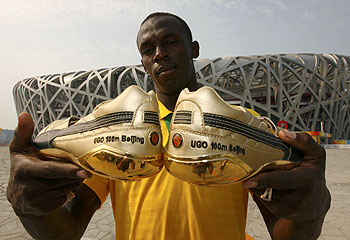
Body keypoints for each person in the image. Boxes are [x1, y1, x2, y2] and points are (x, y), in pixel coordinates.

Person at [7, 12, 330, 240]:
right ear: (143, 62)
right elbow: (67, 230)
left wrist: (310, 211)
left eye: (170, 42)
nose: (160, 53)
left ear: (194, 49)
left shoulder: (238, 125)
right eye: (148, 49)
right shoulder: (115, 127)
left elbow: (286, 231)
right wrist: (32, 209)